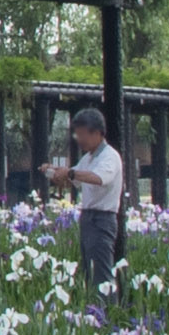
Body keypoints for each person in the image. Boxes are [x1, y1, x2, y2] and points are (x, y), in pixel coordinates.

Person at [54, 109, 131, 295]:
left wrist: (69, 173)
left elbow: (98, 178)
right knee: (90, 273)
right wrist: (54, 171)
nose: (78, 139)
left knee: (102, 275)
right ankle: (94, 314)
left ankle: (106, 317)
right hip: (88, 218)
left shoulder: (109, 157)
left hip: (102, 219)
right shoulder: (89, 158)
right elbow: (74, 177)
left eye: (82, 134)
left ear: (96, 133)